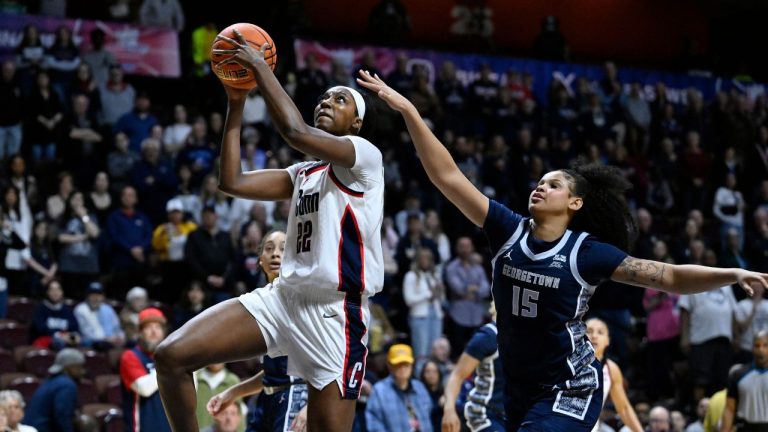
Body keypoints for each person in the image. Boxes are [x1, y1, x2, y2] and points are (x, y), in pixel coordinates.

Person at [357, 70, 768, 431]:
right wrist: (410, 111)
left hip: (571, 385)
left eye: (554, 185)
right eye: (540, 181)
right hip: (518, 386)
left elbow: (672, 276)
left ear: (575, 204)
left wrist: (732, 274)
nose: (541, 186)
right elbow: (447, 176)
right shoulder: (506, 229)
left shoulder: (586, 253)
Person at [156, 30, 384, 432]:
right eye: (324, 98)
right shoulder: (304, 173)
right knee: (171, 355)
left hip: (334, 314)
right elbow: (232, 181)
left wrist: (259, 66)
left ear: (358, 122)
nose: (327, 102)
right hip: (284, 298)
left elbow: (295, 132)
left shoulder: (364, 157)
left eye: (340, 99)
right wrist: (237, 102)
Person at [207, 231, 309, 432]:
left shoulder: (302, 299)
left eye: (283, 248)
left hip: (295, 396)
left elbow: (329, 361)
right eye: (269, 249)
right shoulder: (261, 301)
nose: (275, 254)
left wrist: (311, 405)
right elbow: (273, 372)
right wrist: (232, 393)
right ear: (260, 260)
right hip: (267, 399)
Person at [442, 303, 506, 432]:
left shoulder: (524, 338)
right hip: (484, 415)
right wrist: (449, 409)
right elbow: (457, 375)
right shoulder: (489, 336)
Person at [585, 318, 643, 432]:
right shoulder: (567, 361)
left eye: (600, 332)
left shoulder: (611, 369)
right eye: (589, 331)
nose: (594, 336)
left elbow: (624, 409)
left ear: (607, 340)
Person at [120, 307, 171, 432]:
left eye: (158, 327)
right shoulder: (130, 356)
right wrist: (170, 366)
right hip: (142, 427)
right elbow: (144, 388)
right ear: (140, 332)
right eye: (149, 327)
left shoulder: (170, 358)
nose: (154, 332)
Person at [365, 344, 433, 432]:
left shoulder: (420, 387)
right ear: (389, 365)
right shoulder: (379, 391)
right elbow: (374, 425)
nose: (402, 368)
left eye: (406, 364)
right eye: (398, 364)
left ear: (412, 365)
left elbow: (428, 416)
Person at [24, 348, 86, 432]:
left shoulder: (50, 381)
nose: (82, 371)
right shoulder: (67, 384)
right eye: (79, 367)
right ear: (70, 367)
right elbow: (62, 415)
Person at [721, 330, 768, 432]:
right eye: (757, 345)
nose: (761, 350)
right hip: (746, 427)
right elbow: (729, 409)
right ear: (752, 348)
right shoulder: (738, 375)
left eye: (765, 345)